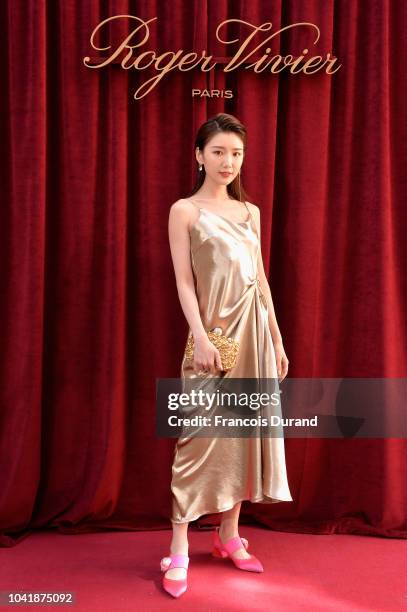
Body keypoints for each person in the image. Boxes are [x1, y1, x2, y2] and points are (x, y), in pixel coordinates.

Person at [162, 113, 293, 598]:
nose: (228, 161)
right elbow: (183, 280)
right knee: (196, 438)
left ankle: (228, 534)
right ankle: (178, 544)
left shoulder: (251, 213)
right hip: (211, 339)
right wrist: (199, 336)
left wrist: (277, 341)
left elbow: (261, 282)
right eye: (218, 151)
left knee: (243, 436)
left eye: (235, 153)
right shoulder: (185, 211)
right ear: (199, 155)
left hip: (255, 339)